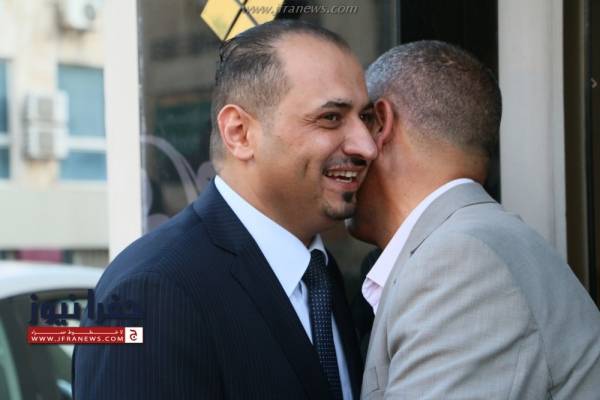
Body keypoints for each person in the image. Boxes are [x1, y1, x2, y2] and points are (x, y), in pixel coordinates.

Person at [73, 20, 377, 400]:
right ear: (239, 133)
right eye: (331, 118)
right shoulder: (151, 293)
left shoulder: (319, 274)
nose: (366, 146)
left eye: (366, 118)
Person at [348, 40, 600, 399]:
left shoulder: (457, 261)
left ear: (380, 123)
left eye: (354, 120)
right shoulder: (475, 242)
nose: (344, 146)